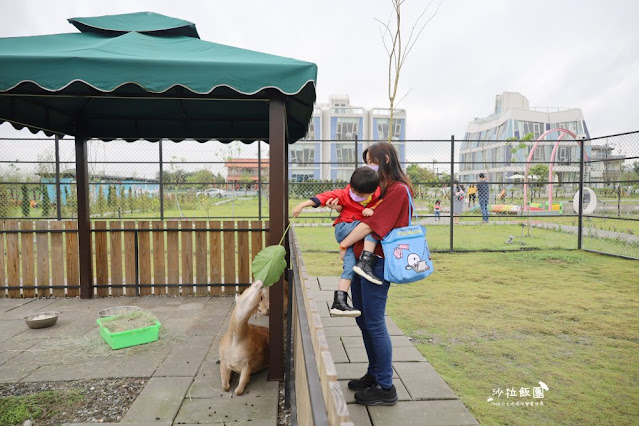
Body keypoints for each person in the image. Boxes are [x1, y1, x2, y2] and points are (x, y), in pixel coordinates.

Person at [333, 142, 414, 406]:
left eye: (372, 161)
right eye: (366, 161)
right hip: (362, 261)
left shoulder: (398, 191)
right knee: (364, 320)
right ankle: (375, 373)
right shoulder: (380, 189)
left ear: (386, 159)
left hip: (376, 263)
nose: (369, 166)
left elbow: (371, 225)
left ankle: (386, 386)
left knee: (375, 322)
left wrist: (344, 244)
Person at [292, 167, 383, 317]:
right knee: (372, 226)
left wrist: (373, 208)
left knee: (349, 267)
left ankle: (339, 302)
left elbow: (382, 204)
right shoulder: (344, 193)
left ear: (373, 191)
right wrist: (301, 205)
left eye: (362, 195)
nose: (358, 196)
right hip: (344, 227)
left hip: (352, 232)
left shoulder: (378, 194)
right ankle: (366, 261)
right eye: (356, 192)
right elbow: (321, 197)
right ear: (351, 186)